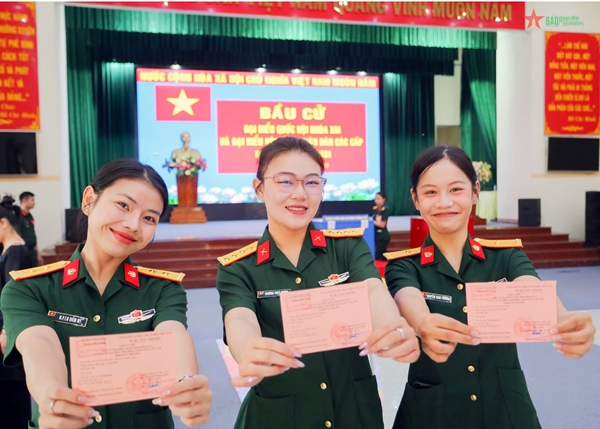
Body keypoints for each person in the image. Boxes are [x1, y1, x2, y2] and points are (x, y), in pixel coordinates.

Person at [384, 145, 596, 429]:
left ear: (475, 192)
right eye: (431, 192)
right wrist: (423, 324)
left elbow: (531, 290)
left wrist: (565, 319)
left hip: (504, 408)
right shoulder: (404, 265)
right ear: (416, 199)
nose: (444, 202)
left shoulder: (505, 256)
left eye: (456, 189)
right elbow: (407, 299)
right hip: (433, 410)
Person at [216, 136, 420, 429]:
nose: (300, 194)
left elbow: (372, 289)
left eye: (312, 182)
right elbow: (239, 317)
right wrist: (248, 350)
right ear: (259, 188)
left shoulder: (348, 247)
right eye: (285, 181)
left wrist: (392, 327)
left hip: (352, 411)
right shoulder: (239, 268)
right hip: (280, 416)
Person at [1, 159, 212, 429]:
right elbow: (40, 344)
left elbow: (173, 336)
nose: (134, 225)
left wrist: (187, 383)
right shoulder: (29, 288)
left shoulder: (163, 289)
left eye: (149, 218)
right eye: (123, 205)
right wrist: (52, 396)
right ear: (89, 199)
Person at [0, 195, 33, 428]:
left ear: (3, 223)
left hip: (10, 332)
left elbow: (13, 295)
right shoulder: (9, 250)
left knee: (12, 393)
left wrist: (5, 330)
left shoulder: (16, 252)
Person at [18, 191, 44, 267]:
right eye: (32, 200)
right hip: (23, 252)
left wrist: (38, 254)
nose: (34, 202)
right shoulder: (18, 216)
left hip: (32, 252)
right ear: (24, 201)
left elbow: (32, 236)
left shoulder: (29, 216)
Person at [372, 191, 390, 260]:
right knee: (382, 255)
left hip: (382, 236)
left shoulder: (384, 210)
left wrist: (371, 222)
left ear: (383, 199)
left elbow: (382, 225)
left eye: (378, 198)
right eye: (375, 198)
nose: (376, 200)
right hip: (377, 236)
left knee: (379, 256)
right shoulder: (375, 209)